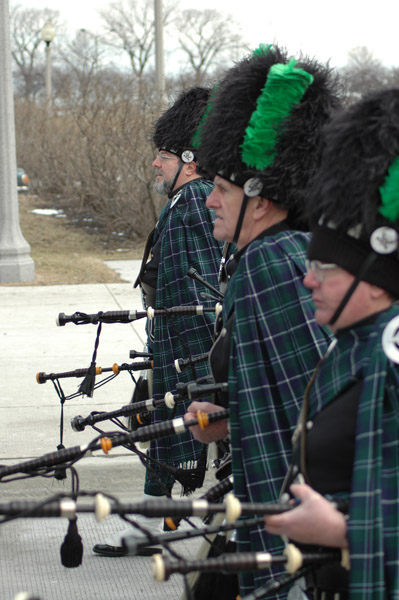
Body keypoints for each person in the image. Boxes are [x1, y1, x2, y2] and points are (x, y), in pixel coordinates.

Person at [185, 45, 340, 597]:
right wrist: (232, 413)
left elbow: (314, 410)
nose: (209, 205)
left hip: (288, 526)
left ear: (263, 199)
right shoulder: (289, 252)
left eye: (221, 191)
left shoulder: (271, 263)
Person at [264, 88, 399, 600]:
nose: (307, 282)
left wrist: (345, 533)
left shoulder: (390, 354)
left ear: (377, 279)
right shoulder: (353, 343)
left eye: (324, 269)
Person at [93, 87, 223, 557]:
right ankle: (156, 524)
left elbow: (198, 288)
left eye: (163, 156)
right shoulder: (188, 199)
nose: (156, 164)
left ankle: (163, 529)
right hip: (168, 344)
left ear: (189, 160)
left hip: (183, 348)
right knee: (153, 433)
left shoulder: (191, 202)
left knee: (167, 437)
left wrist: (195, 368)